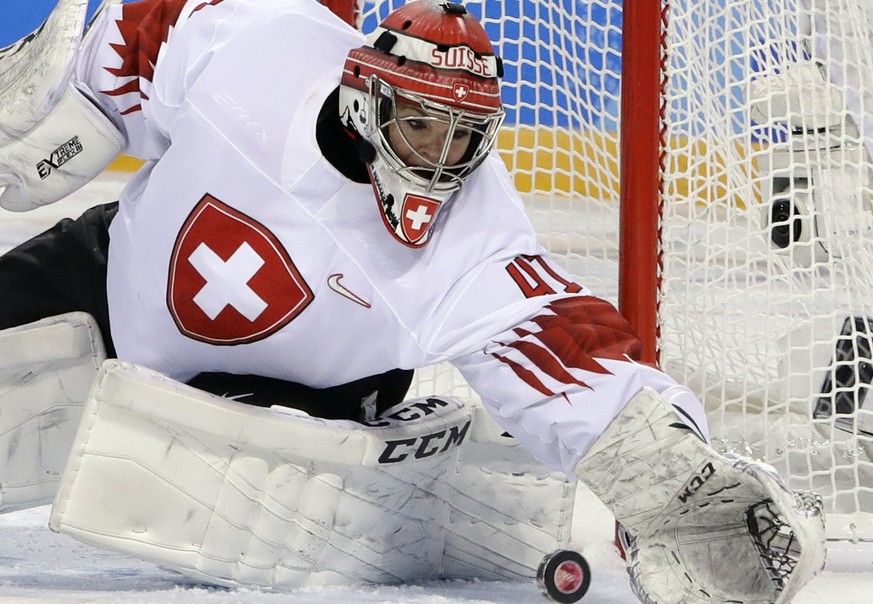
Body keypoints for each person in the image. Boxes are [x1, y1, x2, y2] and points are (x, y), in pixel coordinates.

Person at [0, 0, 826, 601]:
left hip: (297, 401)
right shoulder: (259, 40)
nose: (442, 158)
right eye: (421, 128)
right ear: (365, 98)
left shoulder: (473, 232)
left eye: (464, 137)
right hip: (107, 277)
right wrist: (59, 101)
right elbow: (149, 32)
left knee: (237, 462)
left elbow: (560, 344)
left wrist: (673, 478)